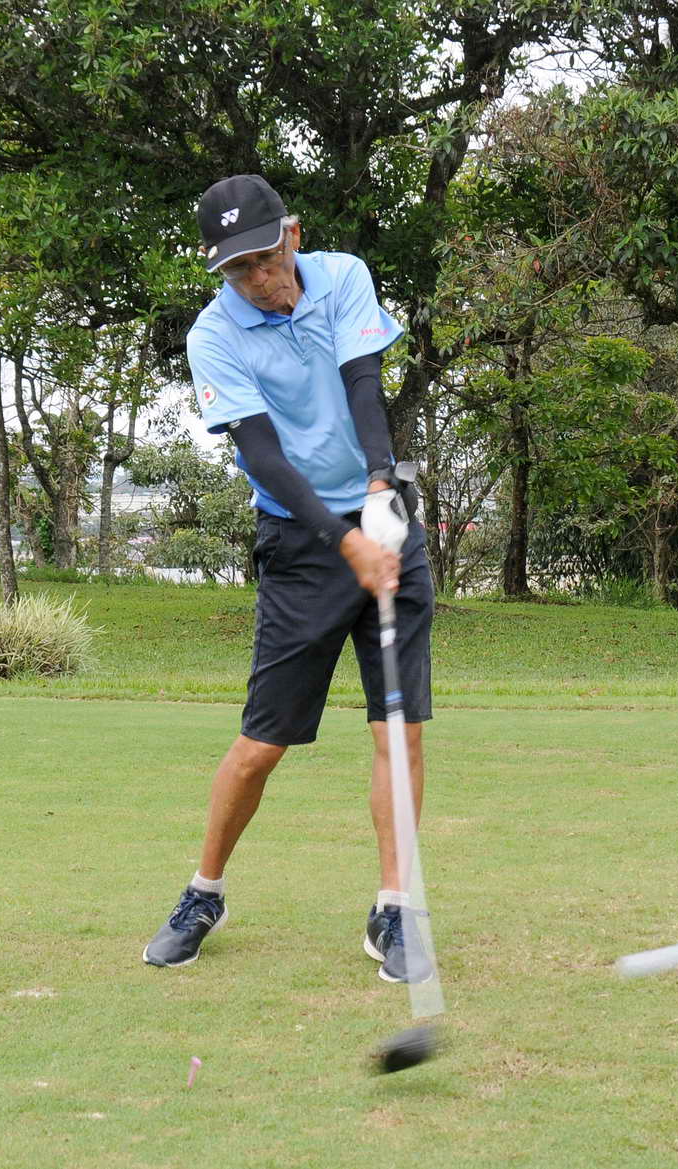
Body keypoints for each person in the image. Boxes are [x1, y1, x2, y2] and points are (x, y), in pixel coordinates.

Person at [142, 174, 434, 983]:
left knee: (399, 731)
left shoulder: (343, 278)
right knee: (262, 744)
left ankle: (394, 908)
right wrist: (343, 541)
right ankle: (204, 892)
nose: (258, 280)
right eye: (238, 269)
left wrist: (379, 483)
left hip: (382, 521)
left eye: (266, 259)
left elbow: (363, 382)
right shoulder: (214, 335)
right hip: (302, 545)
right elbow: (263, 455)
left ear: (293, 236)